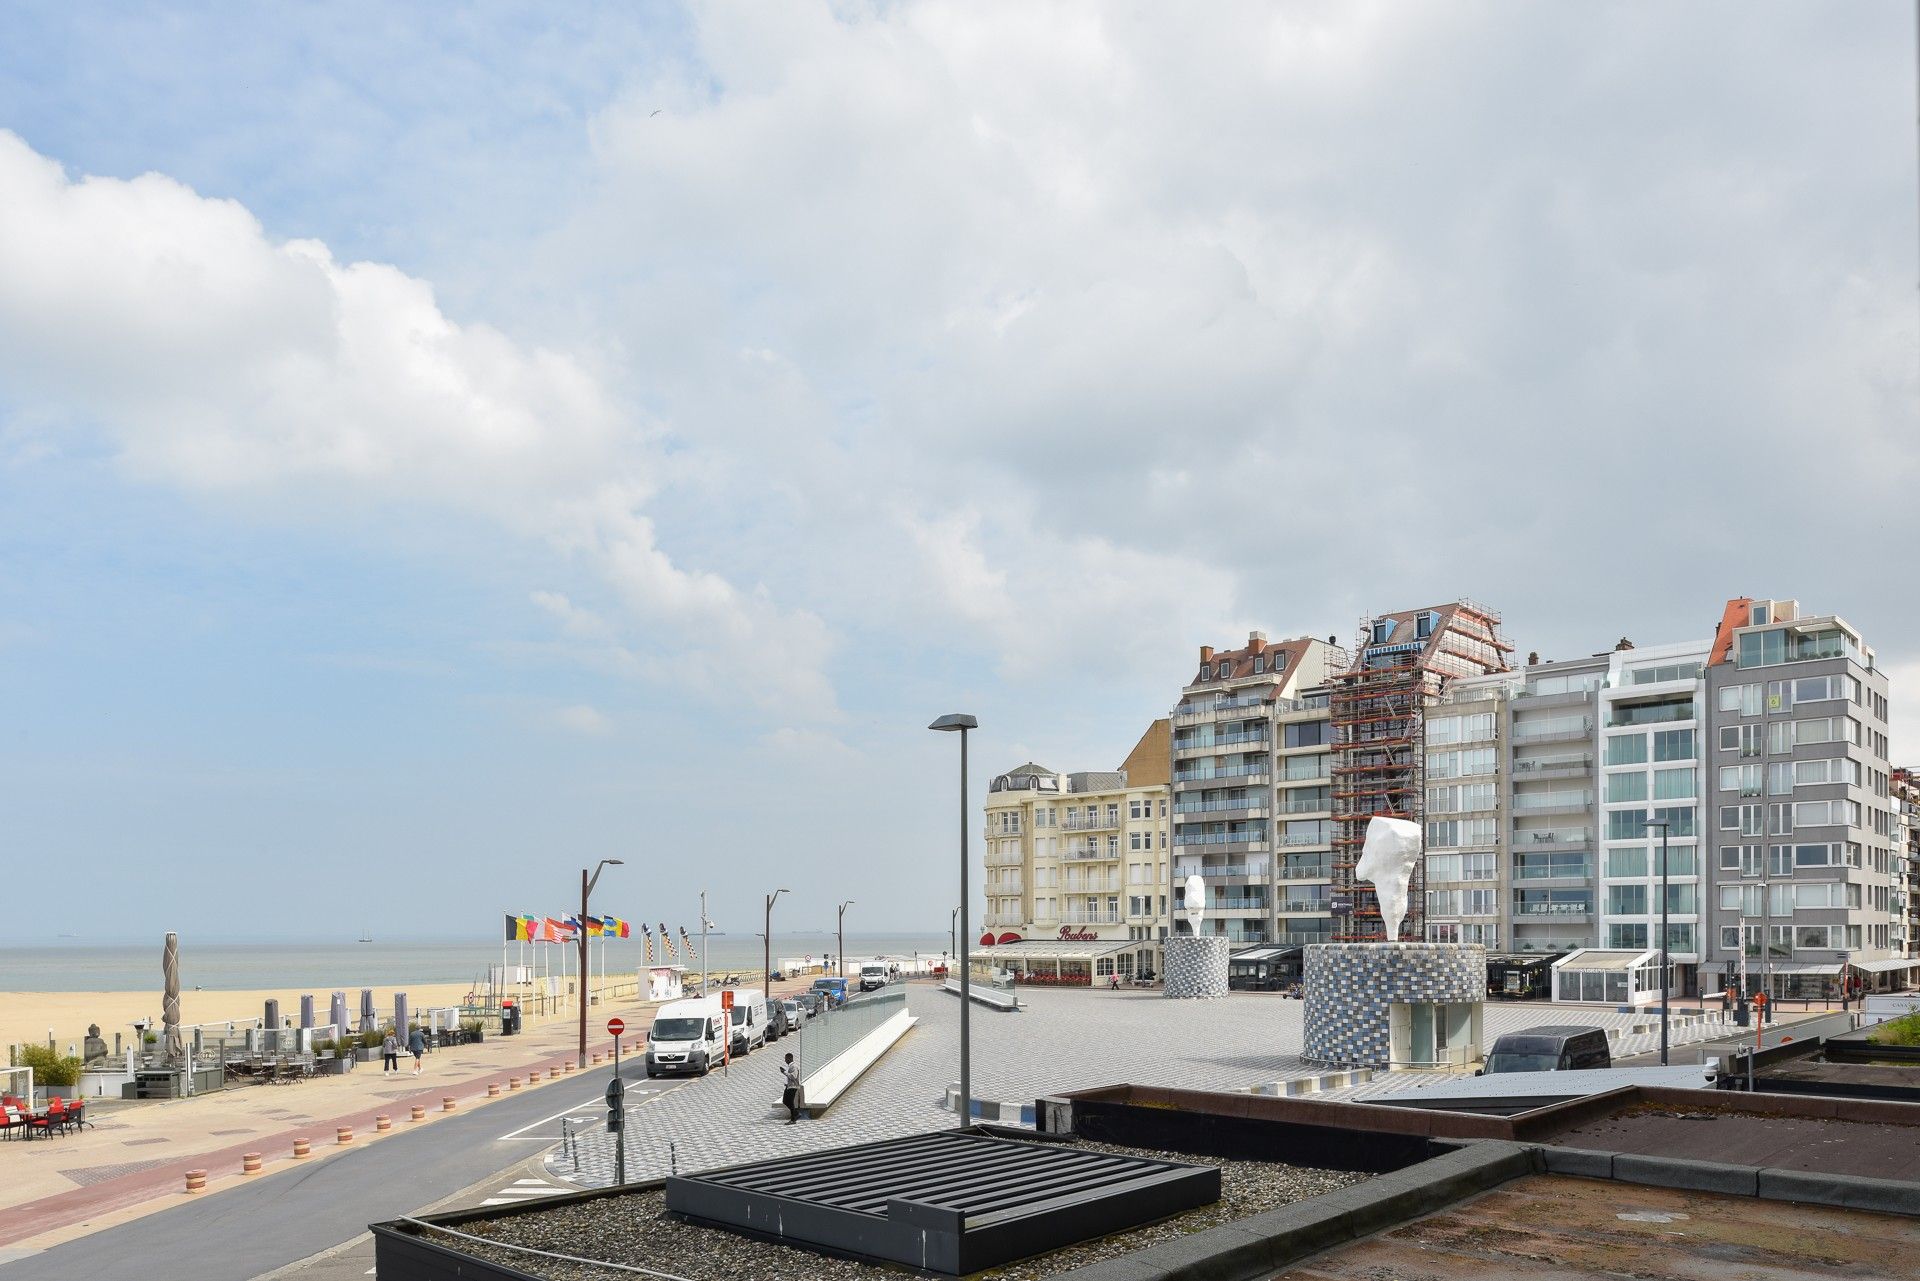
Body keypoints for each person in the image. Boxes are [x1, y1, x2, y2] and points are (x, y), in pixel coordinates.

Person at [780, 1052, 800, 1124]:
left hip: (793, 1087)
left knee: (790, 1102)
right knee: (785, 1101)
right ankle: (796, 1113)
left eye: (786, 1059)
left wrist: (784, 1072)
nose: (785, 1060)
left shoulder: (793, 1066)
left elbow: (793, 1076)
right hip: (789, 1086)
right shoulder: (790, 1066)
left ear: (790, 1058)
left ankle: (793, 1119)